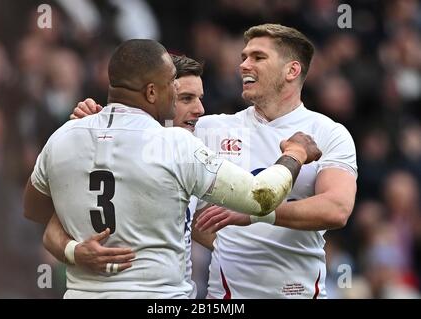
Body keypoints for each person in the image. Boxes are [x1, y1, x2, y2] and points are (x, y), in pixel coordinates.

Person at [23, 38, 322, 298]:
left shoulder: (64, 136)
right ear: (152, 92)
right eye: (175, 89)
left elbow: (37, 211)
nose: (195, 106)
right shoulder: (176, 146)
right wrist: (294, 153)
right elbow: (262, 196)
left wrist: (73, 250)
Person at [191, 23, 358, 299]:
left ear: (292, 70)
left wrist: (255, 214)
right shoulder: (211, 129)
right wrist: (98, 119)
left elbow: (337, 209)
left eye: (258, 57)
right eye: (243, 57)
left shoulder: (328, 133)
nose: (244, 65)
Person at [42, 54, 206, 299]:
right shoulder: (112, 150)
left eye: (199, 99)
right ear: (158, 96)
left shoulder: (200, 143)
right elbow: (50, 229)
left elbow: (216, 227)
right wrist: (74, 251)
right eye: (185, 98)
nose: (199, 110)